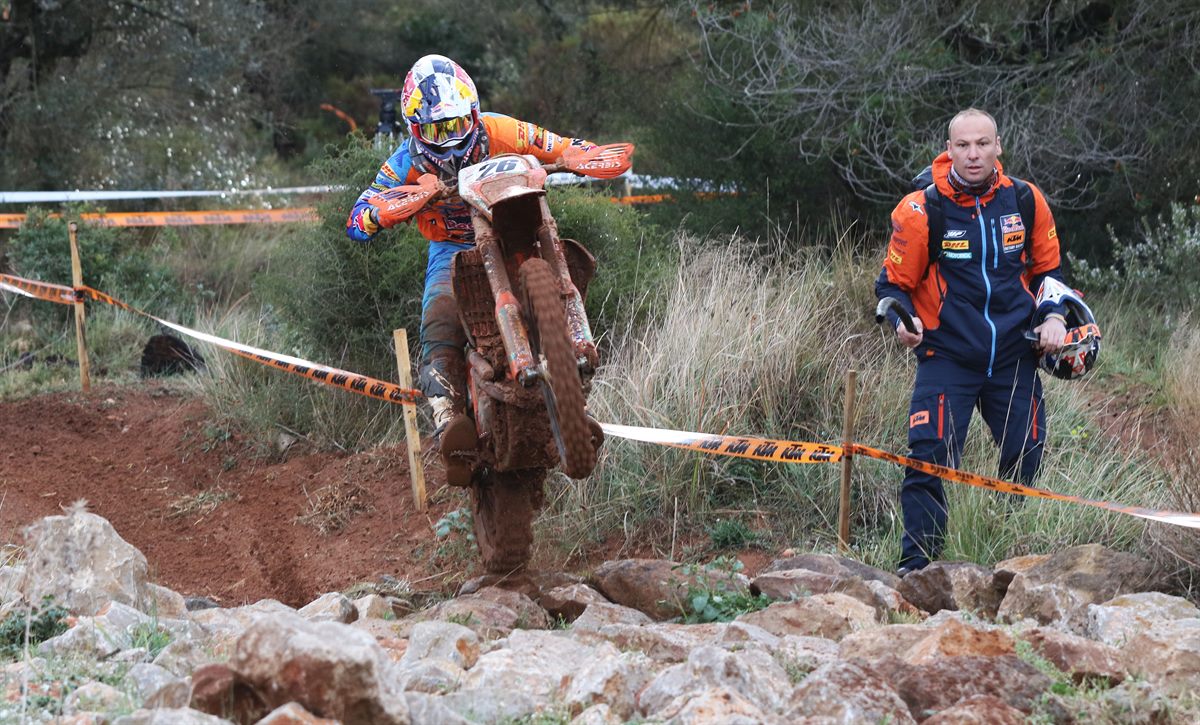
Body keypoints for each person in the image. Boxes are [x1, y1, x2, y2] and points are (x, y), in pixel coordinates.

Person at [346, 54, 596, 484]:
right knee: (440, 316)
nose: (447, 138)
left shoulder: (502, 130)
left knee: (571, 259)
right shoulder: (405, 161)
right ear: (414, 130)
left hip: (514, 228)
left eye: (456, 124)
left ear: (474, 114)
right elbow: (358, 216)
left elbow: (560, 145)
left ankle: (574, 385)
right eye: (435, 130)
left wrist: (583, 157)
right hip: (452, 247)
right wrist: (381, 212)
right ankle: (449, 420)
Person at [875, 108, 1071, 575]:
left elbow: (1050, 273)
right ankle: (916, 569)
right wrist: (901, 319)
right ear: (949, 150)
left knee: (1026, 454)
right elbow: (891, 287)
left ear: (998, 146)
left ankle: (1010, 556)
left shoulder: (1026, 200)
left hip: (1014, 356)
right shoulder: (923, 209)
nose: (973, 154)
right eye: (962, 145)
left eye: (982, 143)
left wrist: (1054, 316)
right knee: (929, 459)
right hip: (947, 356)